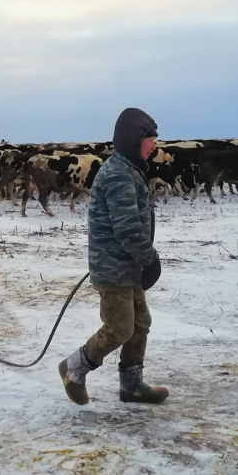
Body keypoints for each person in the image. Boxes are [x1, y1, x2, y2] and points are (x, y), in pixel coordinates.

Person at [58, 108, 167, 405]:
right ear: (136, 140)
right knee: (120, 327)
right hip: (114, 267)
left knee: (140, 322)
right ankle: (74, 367)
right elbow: (127, 227)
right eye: (151, 140)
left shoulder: (129, 169)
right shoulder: (119, 174)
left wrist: (142, 260)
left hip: (126, 265)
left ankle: (132, 386)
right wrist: (149, 258)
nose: (154, 146)